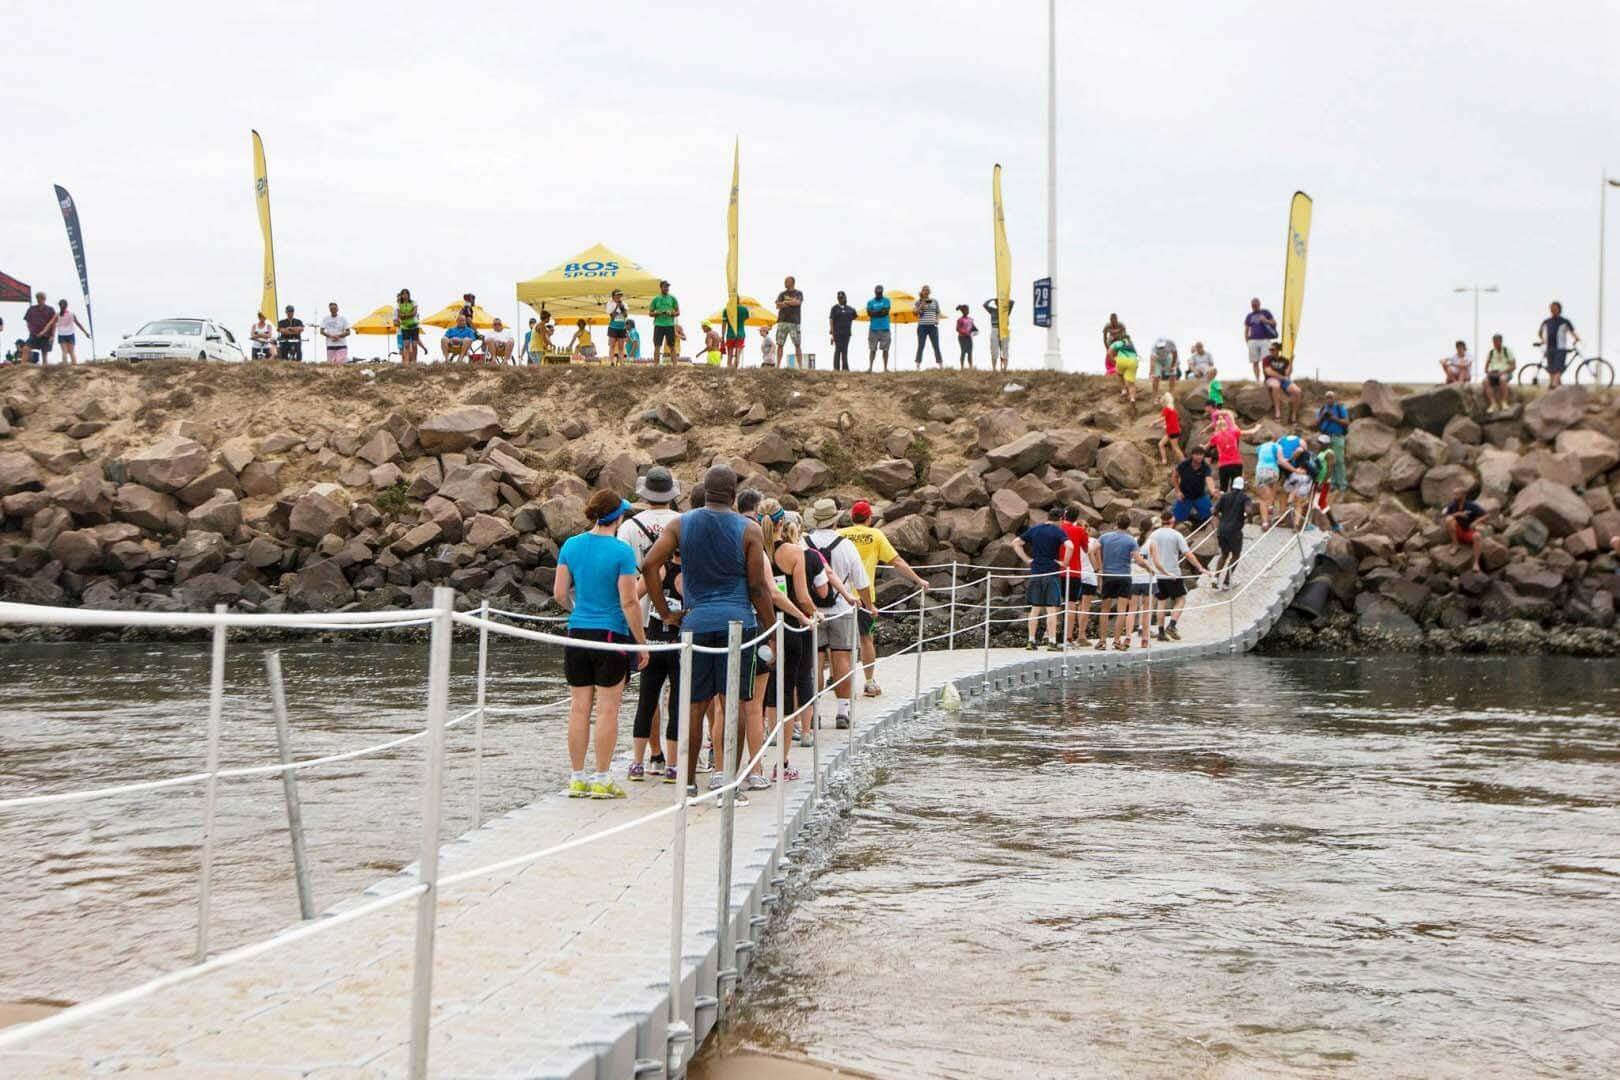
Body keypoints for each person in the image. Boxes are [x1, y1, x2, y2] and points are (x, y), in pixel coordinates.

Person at [642, 465, 779, 796]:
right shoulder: (749, 529)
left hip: (695, 625)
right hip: (739, 626)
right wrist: (772, 630)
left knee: (694, 706)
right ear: (733, 495)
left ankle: (688, 783)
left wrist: (665, 613)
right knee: (737, 703)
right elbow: (759, 588)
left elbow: (648, 566)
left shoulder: (680, 524)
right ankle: (730, 784)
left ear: (702, 490)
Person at [555, 490, 649, 799]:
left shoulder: (571, 545)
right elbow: (629, 601)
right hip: (611, 636)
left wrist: (580, 611)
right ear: (617, 517)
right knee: (608, 710)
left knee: (579, 708)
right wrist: (641, 643)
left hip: (577, 631)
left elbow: (559, 593)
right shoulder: (621, 551)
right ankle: (602, 777)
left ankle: (577, 777)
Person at [618, 468, 683, 782]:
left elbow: (625, 571)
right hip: (674, 621)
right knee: (676, 692)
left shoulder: (629, 527)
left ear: (645, 494)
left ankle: (651, 754)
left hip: (638, 611)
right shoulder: (681, 523)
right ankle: (673, 759)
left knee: (648, 694)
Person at [840, 500, 929, 695]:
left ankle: (836, 678)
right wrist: (918, 579)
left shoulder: (841, 534)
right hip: (864, 597)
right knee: (866, 639)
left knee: (838, 641)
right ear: (869, 518)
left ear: (852, 518)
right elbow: (897, 561)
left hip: (840, 596)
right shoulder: (876, 535)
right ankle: (870, 682)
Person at [758, 499, 817, 783]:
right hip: (791, 627)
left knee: (762, 694)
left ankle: (756, 761)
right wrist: (813, 615)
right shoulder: (794, 552)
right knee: (788, 688)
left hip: (760, 627)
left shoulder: (752, 551)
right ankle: (781, 764)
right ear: (783, 523)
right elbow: (803, 596)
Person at [805, 498, 866, 729]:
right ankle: (842, 712)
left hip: (812, 610)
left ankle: (814, 712)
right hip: (842, 608)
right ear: (834, 520)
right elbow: (860, 581)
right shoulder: (846, 545)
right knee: (843, 659)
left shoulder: (804, 542)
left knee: (815, 662)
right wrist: (868, 605)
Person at [1090, 516, 1153, 651]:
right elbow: (1139, 560)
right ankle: (1117, 641)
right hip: (1124, 577)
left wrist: (1098, 568)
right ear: (1128, 526)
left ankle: (1102, 641)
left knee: (1105, 610)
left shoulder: (1105, 537)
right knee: (1121, 611)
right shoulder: (1130, 540)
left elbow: (1092, 550)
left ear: (1116, 523)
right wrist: (1149, 569)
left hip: (1107, 576)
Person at [1015, 507, 1073, 650]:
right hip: (1051, 573)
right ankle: (1052, 642)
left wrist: (1027, 559)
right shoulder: (1058, 531)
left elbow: (1016, 543)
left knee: (1034, 609)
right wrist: (1065, 563)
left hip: (1036, 573)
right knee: (1051, 609)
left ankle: (1031, 641)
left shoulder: (1035, 529)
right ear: (1060, 519)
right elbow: (1070, 546)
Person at [1147, 512, 1207, 641]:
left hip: (1157, 574)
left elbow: (1148, 554)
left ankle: (1161, 632)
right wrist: (1200, 567)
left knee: (1161, 602)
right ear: (1172, 520)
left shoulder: (1153, 535)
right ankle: (1172, 625)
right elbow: (1188, 554)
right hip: (1172, 573)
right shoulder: (1176, 535)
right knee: (1181, 599)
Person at [1057, 505, 1092, 645]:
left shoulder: (1058, 529)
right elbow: (1086, 548)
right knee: (1071, 605)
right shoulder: (1080, 531)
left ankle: (1051, 635)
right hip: (1074, 571)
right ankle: (1068, 637)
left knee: (1054, 604)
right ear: (1076, 518)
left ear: (1064, 516)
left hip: (1058, 570)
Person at [1211, 478, 1252, 589]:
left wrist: (1223, 517)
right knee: (1235, 555)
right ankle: (1226, 582)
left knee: (1224, 554)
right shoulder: (1245, 498)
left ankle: (1215, 577)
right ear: (1243, 486)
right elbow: (1248, 511)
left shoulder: (1224, 496)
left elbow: (1214, 511)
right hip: (1235, 532)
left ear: (1232, 486)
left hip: (1222, 530)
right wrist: (1246, 515)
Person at [1442, 485, 1488, 572]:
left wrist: (1475, 522)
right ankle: (1456, 545)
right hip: (1456, 531)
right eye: (1454, 494)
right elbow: (1446, 516)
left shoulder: (1471, 505)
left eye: (1456, 494)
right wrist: (1458, 514)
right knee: (1449, 520)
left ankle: (1476, 563)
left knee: (1477, 536)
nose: (1454, 496)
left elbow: (1486, 515)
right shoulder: (1452, 504)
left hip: (1467, 531)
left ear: (1463, 495)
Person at [1536, 301, 1579, 389]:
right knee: (1551, 368)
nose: (1553, 310)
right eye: (1551, 308)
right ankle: (1554, 385)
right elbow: (1540, 332)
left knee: (1558, 367)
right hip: (1550, 348)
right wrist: (1542, 340)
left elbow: (1572, 332)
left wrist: (1576, 339)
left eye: (1555, 308)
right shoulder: (1547, 321)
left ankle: (1554, 385)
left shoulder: (1565, 321)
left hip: (1560, 348)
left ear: (1559, 309)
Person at [1171, 445, 1217, 524]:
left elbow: (1209, 478)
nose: (1199, 457)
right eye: (1197, 454)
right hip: (1185, 496)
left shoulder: (1205, 466)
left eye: (1201, 455)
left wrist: (1212, 490)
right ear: (1192, 455)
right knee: (1177, 519)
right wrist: (1178, 491)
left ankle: (1215, 534)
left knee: (1212, 515)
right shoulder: (1184, 464)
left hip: (1200, 496)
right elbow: (1174, 477)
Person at [1315, 390, 1349, 490]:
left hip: (1337, 437)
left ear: (1335, 398)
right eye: (1327, 397)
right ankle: (1333, 483)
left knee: (1339, 460)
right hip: (1325, 438)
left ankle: (1342, 484)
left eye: (1331, 397)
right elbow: (1316, 423)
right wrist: (1323, 416)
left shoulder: (1339, 408)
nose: (1329, 399)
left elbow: (1347, 422)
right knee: (1329, 462)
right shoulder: (1322, 409)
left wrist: (1334, 418)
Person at [774, 276, 804, 368]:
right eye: (785, 281)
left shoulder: (798, 293)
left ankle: (800, 366)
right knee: (780, 344)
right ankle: (778, 365)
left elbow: (798, 303)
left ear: (792, 282)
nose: (785, 283)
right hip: (782, 321)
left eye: (787, 281)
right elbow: (778, 305)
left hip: (794, 322)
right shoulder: (782, 294)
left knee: (797, 344)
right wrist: (790, 302)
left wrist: (785, 303)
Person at [1244, 298, 1278, 378]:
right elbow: (1246, 329)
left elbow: (1274, 323)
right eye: (1253, 305)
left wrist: (1266, 320)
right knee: (1255, 362)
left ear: (1259, 304)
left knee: (1266, 360)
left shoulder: (1265, 312)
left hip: (1265, 340)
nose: (1254, 306)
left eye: (1256, 304)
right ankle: (1257, 380)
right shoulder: (1249, 316)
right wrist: (1247, 341)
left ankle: (1266, 379)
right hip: (1253, 341)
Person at [1252, 435, 1282, 527]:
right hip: (1272, 470)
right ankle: (1270, 506)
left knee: (1262, 498)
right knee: (1272, 487)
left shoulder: (1260, 447)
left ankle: (1265, 523)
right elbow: (1280, 460)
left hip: (1260, 471)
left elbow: (1259, 455)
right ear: (1273, 439)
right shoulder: (1276, 446)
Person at [649, 279, 681, 363]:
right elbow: (650, 313)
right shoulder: (656, 299)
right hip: (658, 325)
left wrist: (671, 313)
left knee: (672, 346)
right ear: (661, 288)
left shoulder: (673, 298)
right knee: (657, 346)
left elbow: (678, 312)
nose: (666, 288)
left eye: (667, 287)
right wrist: (657, 313)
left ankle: (675, 366)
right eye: (665, 287)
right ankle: (656, 365)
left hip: (670, 325)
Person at [1483, 334, 1516, 411]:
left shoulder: (1507, 351)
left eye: (1497, 341)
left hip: (1505, 372)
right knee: (1485, 381)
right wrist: (1488, 372)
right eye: (1494, 342)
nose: (1495, 343)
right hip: (1494, 373)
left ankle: (1504, 402)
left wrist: (1503, 372)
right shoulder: (1491, 352)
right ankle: (1493, 403)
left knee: (1502, 379)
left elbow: (1513, 366)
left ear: (1501, 341)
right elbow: (1486, 367)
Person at [21, 292, 55, 366]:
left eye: (41, 298)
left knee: (44, 355)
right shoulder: (32, 309)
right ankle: (22, 367)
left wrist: (53, 335)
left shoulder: (50, 309)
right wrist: (30, 329)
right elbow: (27, 320)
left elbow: (53, 324)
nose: (39, 300)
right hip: (34, 334)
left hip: (46, 335)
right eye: (38, 298)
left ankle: (44, 371)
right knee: (26, 348)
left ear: (44, 299)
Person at [913, 285, 943, 368]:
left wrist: (937, 320)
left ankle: (940, 364)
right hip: (922, 326)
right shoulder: (918, 302)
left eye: (927, 290)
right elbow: (915, 312)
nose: (926, 292)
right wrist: (922, 304)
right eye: (924, 290)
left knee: (936, 345)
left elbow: (938, 312)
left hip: (933, 326)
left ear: (929, 292)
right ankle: (918, 365)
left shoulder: (934, 301)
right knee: (921, 345)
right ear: (922, 292)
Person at [828, 291, 857, 372]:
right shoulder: (834, 308)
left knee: (845, 350)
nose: (841, 299)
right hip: (837, 333)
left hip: (847, 333)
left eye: (842, 298)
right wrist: (832, 332)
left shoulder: (850, 309)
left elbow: (855, 316)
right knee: (838, 350)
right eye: (839, 298)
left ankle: (845, 368)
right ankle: (836, 368)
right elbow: (831, 319)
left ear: (845, 298)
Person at [866, 286, 892, 372]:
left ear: (882, 292)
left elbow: (885, 312)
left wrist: (875, 312)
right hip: (873, 328)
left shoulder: (886, 300)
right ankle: (870, 367)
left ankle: (885, 368)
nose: (879, 294)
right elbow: (869, 313)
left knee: (886, 349)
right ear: (875, 292)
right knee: (872, 349)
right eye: (877, 293)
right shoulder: (870, 302)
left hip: (885, 328)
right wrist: (879, 312)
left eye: (880, 293)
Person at [984, 296, 1014, 371]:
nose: (998, 303)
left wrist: (1003, 300)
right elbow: (985, 305)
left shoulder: (1006, 310)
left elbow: (1012, 302)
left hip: (1004, 329)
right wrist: (992, 299)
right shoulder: (992, 310)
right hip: (995, 329)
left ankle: (1005, 368)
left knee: (1005, 349)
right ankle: (994, 368)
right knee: (994, 349)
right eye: (996, 302)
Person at [393, 289, 421, 365]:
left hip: (413, 327)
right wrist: (408, 315)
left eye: (406, 294)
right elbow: (396, 320)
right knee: (404, 348)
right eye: (402, 295)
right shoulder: (397, 307)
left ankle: (413, 362)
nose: (404, 296)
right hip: (402, 330)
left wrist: (404, 316)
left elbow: (414, 314)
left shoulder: (413, 303)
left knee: (414, 346)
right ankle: (406, 363)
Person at [1155, 393, 1184, 466]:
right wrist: (1164, 425)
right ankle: (1164, 460)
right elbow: (1170, 420)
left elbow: (1162, 418)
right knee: (1161, 444)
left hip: (1172, 432)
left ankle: (1184, 462)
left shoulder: (1167, 409)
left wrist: (1154, 422)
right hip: (1172, 431)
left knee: (1175, 448)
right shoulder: (1173, 409)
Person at [1109, 337, 1141, 402]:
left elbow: (1109, 352)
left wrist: (1113, 361)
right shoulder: (1131, 344)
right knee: (1131, 383)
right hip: (1133, 361)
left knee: (1119, 374)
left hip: (1122, 359)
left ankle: (1124, 390)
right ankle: (1132, 399)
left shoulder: (1117, 343)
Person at [54, 299, 84, 365]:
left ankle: (65, 366)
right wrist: (85, 332)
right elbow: (78, 324)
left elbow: (52, 324)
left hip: (61, 334)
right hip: (70, 334)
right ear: (67, 306)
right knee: (72, 352)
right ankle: (74, 365)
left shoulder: (57, 315)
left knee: (64, 352)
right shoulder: (71, 314)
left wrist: (52, 334)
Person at [604, 289, 630, 365]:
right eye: (617, 295)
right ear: (613, 296)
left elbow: (625, 315)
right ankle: (611, 362)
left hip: (622, 327)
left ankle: (622, 363)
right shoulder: (610, 303)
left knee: (621, 347)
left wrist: (622, 308)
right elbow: (612, 316)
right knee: (612, 345)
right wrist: (616, 307)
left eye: (620, 295)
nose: (619, 296)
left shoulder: (624, 303)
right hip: (613, 327)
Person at [723, 300, 748, 368]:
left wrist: (722, 336)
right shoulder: (744, 309)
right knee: (738, 355)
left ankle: (729, 370)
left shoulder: (726, 310)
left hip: (730, 335)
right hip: (741, 334)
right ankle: (735, 370)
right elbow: (746, 318)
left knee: (730, 355)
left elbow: (724, 325)